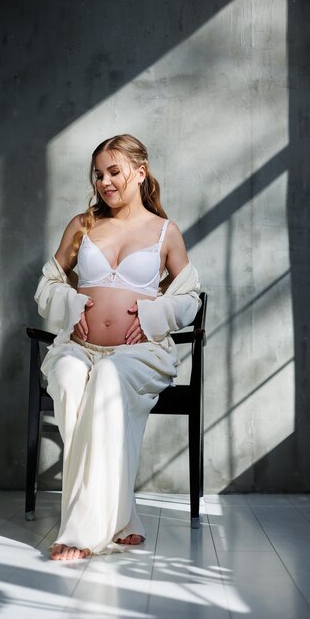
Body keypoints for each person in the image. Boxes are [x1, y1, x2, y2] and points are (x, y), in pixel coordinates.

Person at [34, 134, 201, 561]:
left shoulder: (165, 231)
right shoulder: (82, 225)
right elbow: (48, 284)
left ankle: (81, 532)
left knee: (108, 377)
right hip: (79, 346)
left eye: (114, 172)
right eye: (99, 174)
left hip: (139, 355)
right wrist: (70, 303)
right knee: (70, 378)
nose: (104, 182)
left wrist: (151, 319)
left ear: (140, 173)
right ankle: (123, 515)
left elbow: (188, 297)